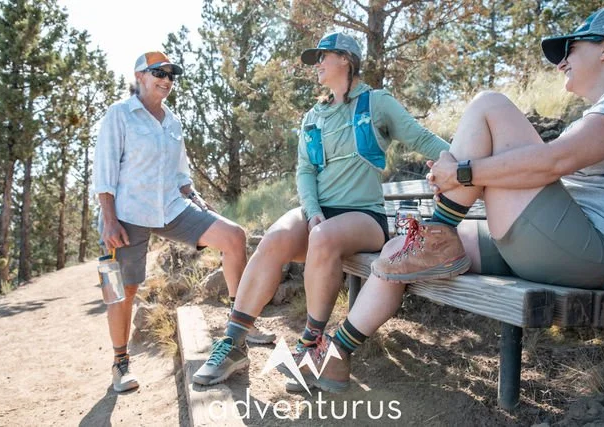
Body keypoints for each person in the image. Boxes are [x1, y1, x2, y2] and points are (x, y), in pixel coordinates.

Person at [287, 5, 604, 393]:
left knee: (489, 105)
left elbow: (553, 162)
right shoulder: (599, 111)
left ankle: (438, 231)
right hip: (561, 241)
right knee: (401, 248)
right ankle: (336, 353)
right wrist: (459, 168)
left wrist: (462, 172)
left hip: (592, 251)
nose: (563, 60)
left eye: (572, 48)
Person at [193, 32, 453, 386]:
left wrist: (466, 159)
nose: (316, 65)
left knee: (324, 236)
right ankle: (233, 342)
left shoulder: (377, 103)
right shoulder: (314, 116)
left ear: (345, 59)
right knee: (275, 238)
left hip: (365, 218)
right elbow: (305, 170)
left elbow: (422, 138)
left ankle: (310, 346)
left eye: (322, 56)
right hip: (320, 214)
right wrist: (312, 210)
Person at [93, 51, 274, 393]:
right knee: (122, 289)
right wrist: (108, 218)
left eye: (172, 74)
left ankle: (239, 329)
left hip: (173, 207)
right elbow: (104, 171)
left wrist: (195, 197)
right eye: (158, 72)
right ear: (139, 76)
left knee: (234, 236)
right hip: (128, 213)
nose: (166, 78)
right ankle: (120, 363)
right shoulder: (120, 114)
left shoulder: (172, 121)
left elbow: (180, 172)